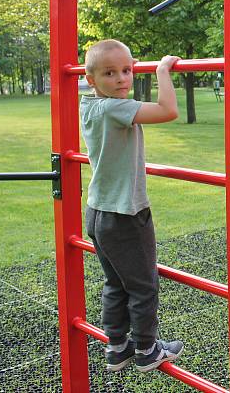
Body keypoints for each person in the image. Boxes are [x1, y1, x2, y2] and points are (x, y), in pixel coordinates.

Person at [80, 39, 184, 372]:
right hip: (126, 214)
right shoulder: (117, 108)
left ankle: (117, 346)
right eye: (111, 73)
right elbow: (168, 110)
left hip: (97, 212)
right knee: (143, 285)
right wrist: (161, 70)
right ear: (92, 78)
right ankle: (148, 350)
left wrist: (116, 67)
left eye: (127, 70)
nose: (123, 79)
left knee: (116, 283)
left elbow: (110, 82)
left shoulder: (90, 105)